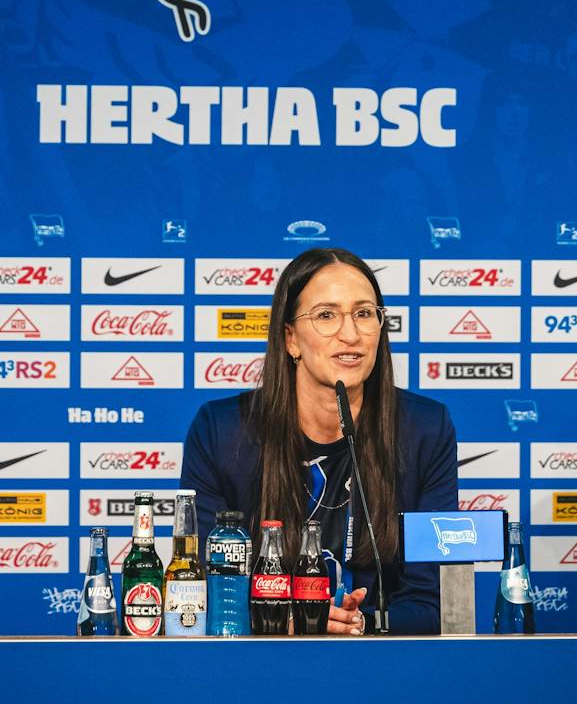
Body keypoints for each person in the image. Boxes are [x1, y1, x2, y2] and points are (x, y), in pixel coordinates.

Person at [181, 247, 458, 634]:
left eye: (364, 313)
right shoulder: (223, 431)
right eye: (326, 315)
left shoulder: (424, 429)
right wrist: (289, 620)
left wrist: (359, 622)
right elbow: (203, 589)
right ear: (290, 339)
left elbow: (434, 600)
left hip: (379, 658)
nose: (351, 334)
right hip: (259, 659)